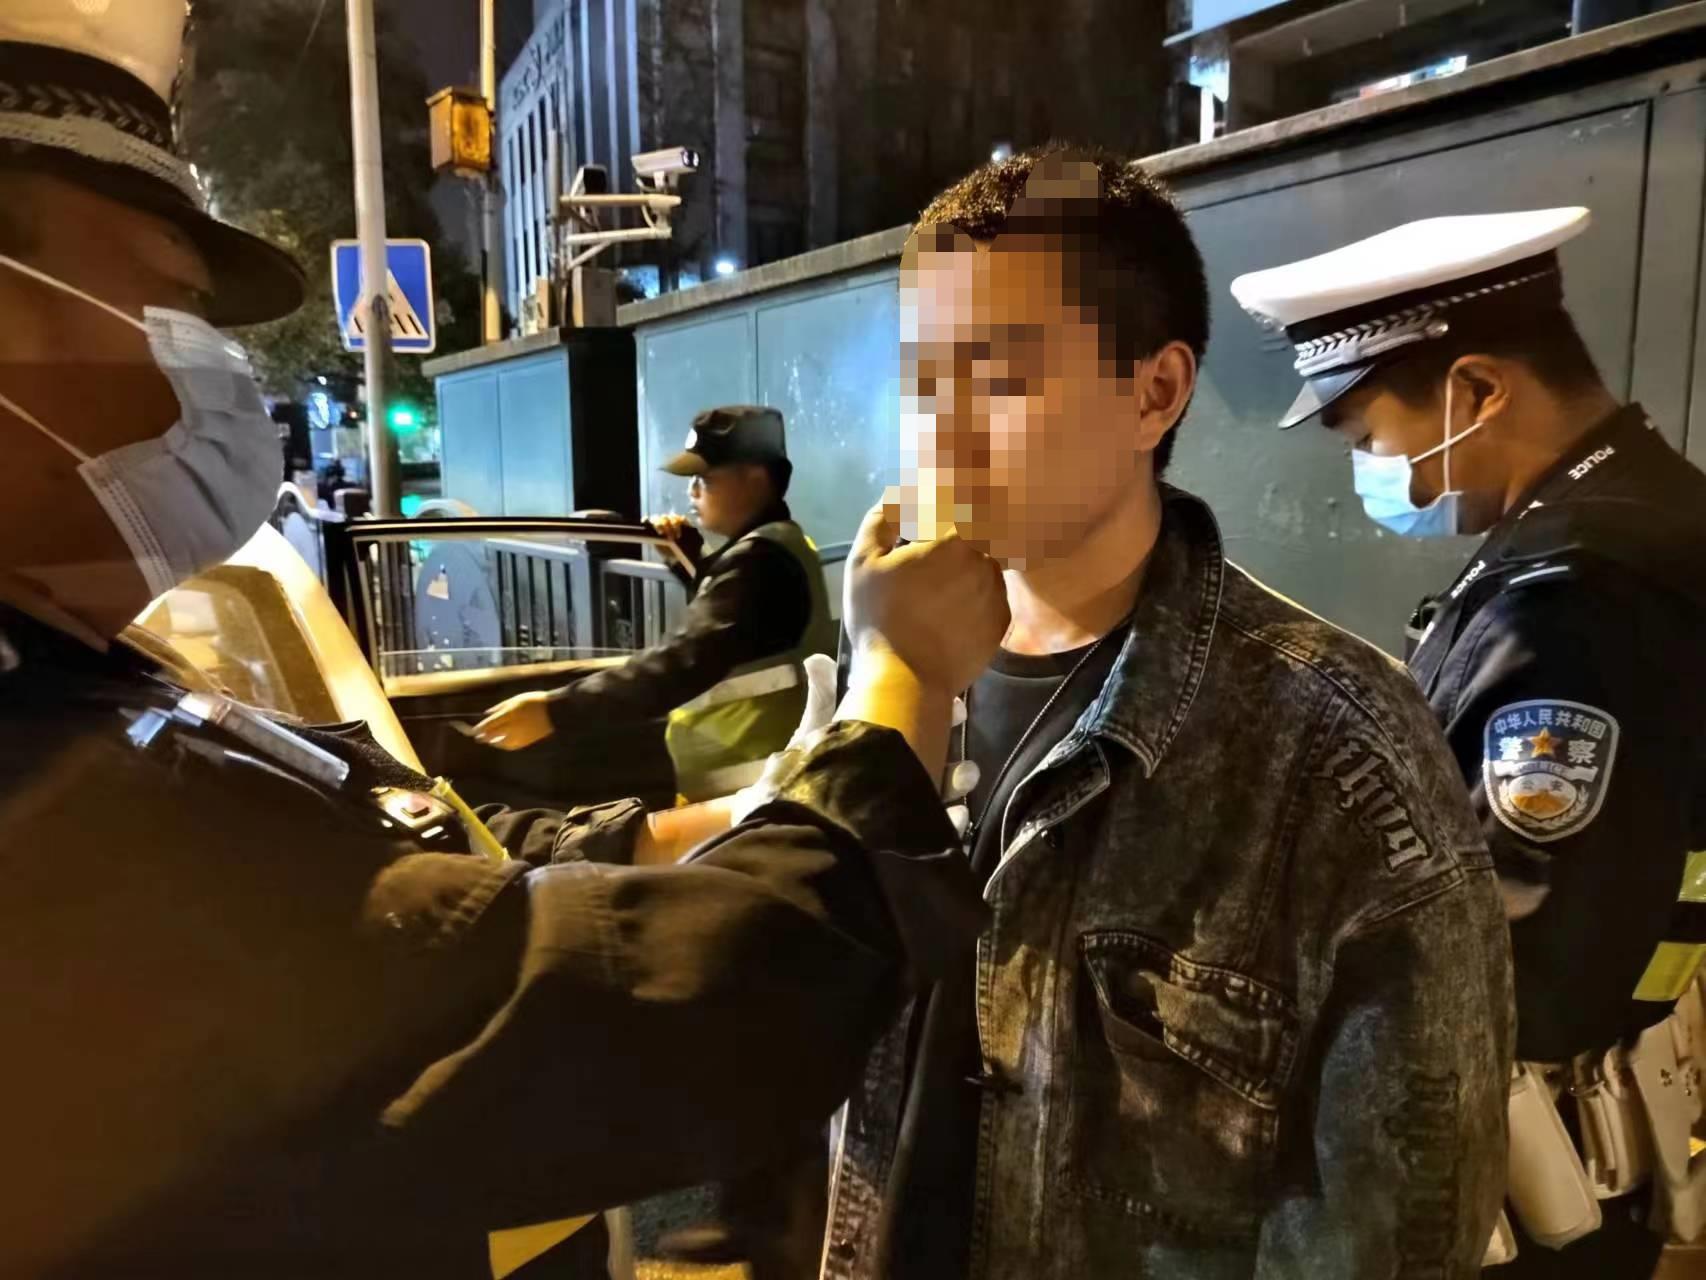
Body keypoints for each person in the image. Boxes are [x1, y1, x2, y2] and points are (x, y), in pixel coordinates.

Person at [0, 6, 1010, 1275]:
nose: (203, 369)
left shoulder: (78, 693)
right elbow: (672, 1003)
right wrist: (894, 689)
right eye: (162, 304)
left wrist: (771, 759)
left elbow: (420, 859)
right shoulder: (62, 804)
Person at [818, 144, 1514, 1280]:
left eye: (997, 372)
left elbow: (1398, 1231)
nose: (942, 426)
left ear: (1154, 391)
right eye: (922, 376)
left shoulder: (1336, 750)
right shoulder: (889, 666)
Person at [1232, 207, 1706, 1276]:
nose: (1372, 469)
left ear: (1478, 390)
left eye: (1367, 437)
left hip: (1525, 1186)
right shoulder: (1635, 524)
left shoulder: (1580, 600)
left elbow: (1508, 955)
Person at [474, 405, 836, 803]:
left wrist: (557, 710)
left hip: (748, 791)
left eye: (704, 478)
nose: (691, 491)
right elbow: (743, 635)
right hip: (756, 781)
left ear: (755, 478)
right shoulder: (779, 545)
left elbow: (681, 661)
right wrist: (688, 558)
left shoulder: (760, 561)